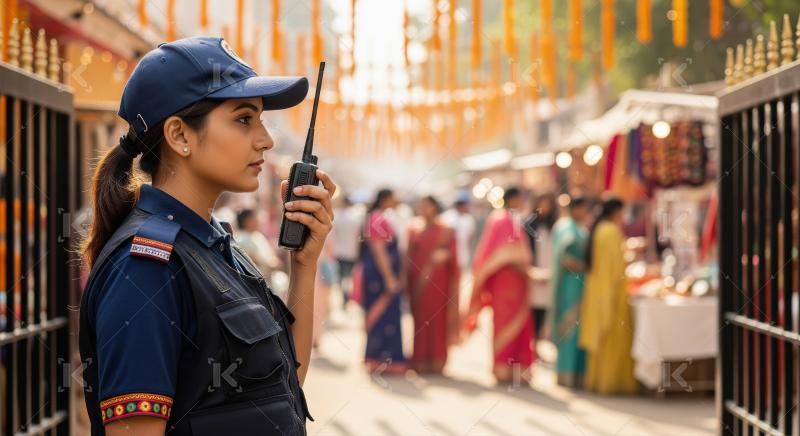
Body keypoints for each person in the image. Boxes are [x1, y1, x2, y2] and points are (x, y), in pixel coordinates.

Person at [77, 37, 337, 436]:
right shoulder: (145, 268)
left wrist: (303, 264)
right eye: (244, 119)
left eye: (261, 120)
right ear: (180, 135)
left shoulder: (213, 246)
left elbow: (281, 390)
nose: (265, 139)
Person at [464, 187, 536, 384]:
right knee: (504, 321)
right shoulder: (503, 220)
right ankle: (503, 367)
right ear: (513, 199)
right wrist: (528, 272)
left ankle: (515, 368)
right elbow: (505, 255)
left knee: (517, 323)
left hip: (514, 281)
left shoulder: (508, 219)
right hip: (506, 280)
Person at [579, 197, 639, 394]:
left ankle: (599, 380)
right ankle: (614, 382)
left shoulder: (600, 229)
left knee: (602, 339)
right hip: (612, 290)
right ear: (616, 212)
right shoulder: (611, 232)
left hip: (598, 289)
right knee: (614, 337)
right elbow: (615, 267)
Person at [405, 195, 460, 374]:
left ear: (435, 207)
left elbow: (453, 255)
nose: (423, 208)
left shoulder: (446, 230)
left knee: (437, 320)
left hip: (438, 283)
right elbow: (408, 256)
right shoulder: (413, 229)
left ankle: (437, 360)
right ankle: (419, 359)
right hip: (417, 283)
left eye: (427, 205)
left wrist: (445, 256)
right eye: (421, 205)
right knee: (420, 321)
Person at [361, 189, 407, 374]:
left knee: (388, 315)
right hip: (380, 277)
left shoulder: (381, 216)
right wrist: (389, 278)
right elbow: (379, 250)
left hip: (381, 275)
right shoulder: (378, 218)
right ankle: (379, 360)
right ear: (387, 198)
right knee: (382, 315)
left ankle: (385, 360)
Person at [550, 196, 591, 388]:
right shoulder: (567, 227)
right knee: (569, 328)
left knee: (580, 328)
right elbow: (563, 257)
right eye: (581, 208)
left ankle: (578, 374)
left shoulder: (580, 227)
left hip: (581, 284)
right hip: (570, 284)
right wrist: (583, 266)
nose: (584, 212)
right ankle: (565, 373)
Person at [525, 193, 557, 341]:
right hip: (534, 274)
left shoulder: (554, 226)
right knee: (533, 311)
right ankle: (533, 344)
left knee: (545, 310)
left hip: (550, 272)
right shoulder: (529, 226)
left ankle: (541, 339)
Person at [332, 194, 363, 305]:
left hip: (339, 251)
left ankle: (344, 296)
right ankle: (346, 296)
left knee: (341, 277)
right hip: (352, 252)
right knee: (349, 277)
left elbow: (333, 235)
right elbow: (360, 236)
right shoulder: (356, 217)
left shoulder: (337, 217)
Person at [441, 192, 476, 273]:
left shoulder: (469, 219)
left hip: (462, 256)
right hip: (449, 257)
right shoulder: (447, 217)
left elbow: (470, 239)